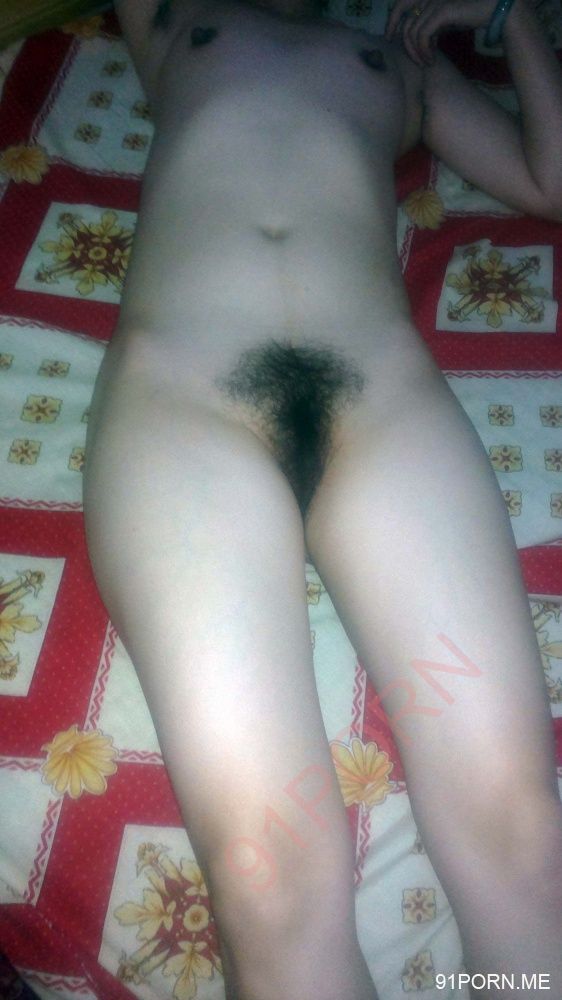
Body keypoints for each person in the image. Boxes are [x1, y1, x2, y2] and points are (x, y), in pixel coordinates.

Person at [82, 0, 562, 996]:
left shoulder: (404, 58)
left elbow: (549, 182)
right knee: (265, 876)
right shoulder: (177, 20)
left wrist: (513, 17)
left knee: (522, 831)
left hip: (380, 403)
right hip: (184, 401)